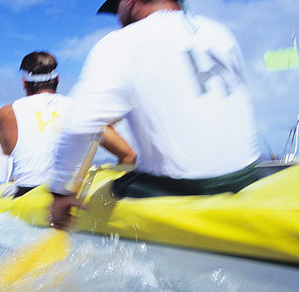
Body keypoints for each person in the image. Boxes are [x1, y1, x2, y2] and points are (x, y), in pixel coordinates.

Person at [50, 0, 261, 230]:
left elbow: (78, 125)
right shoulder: (220, 32)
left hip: (183, 190)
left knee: (102, 193)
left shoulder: (122, 42)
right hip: (248, 179)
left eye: (116, 8)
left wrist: (60, 193)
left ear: (129, 3)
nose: (118, 18)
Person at [0, 51, 136, 198]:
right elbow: (128, 156)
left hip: (27, 195)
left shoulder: (7, 113)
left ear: (24, 84)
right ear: (57, 79)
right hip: (74, 195)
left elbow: (6, 151)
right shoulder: (80, 108)